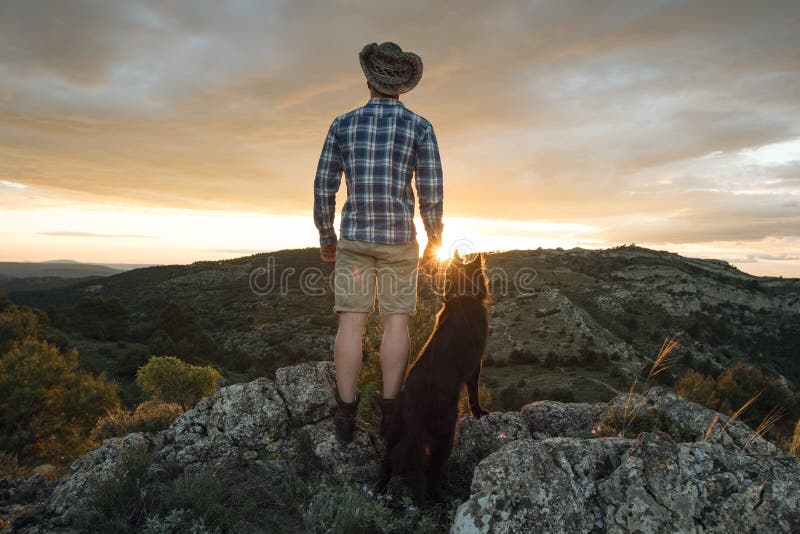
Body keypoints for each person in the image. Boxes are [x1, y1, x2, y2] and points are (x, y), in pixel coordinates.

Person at [313, 42, 444, 443]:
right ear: (401, 87)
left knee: (351, 323)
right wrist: (435, 236)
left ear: (368, 80)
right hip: (400, 241)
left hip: (355, 238)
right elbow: (432, 191)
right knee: (396, 323)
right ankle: (390, 415)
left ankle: (345, 417)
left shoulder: (342, 124)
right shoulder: (420, 127)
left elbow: (323, 187)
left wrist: (327, 236)